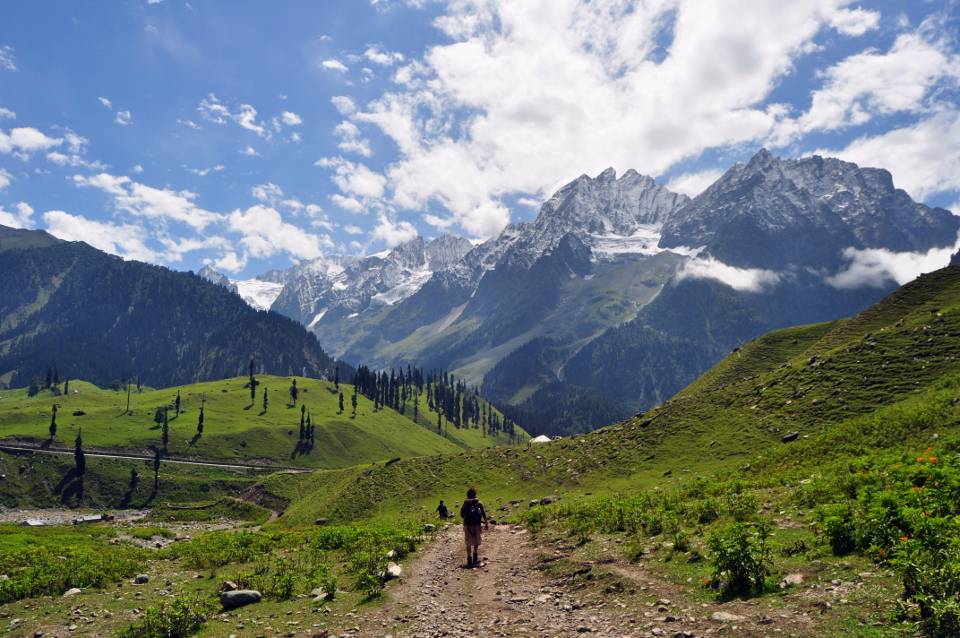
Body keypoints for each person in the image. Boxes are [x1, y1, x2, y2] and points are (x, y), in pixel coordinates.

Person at [460, 487, 488, 568]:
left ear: (467, 495)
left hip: (467, 525)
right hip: (477, 525)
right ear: (475, 494)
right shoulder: (479, 503)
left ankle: (469, 558)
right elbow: (483, 514)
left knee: (468, 542)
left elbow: (461, 515)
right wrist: (486, 523)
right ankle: (475, 554)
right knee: (476, 540)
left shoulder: (465, 503)